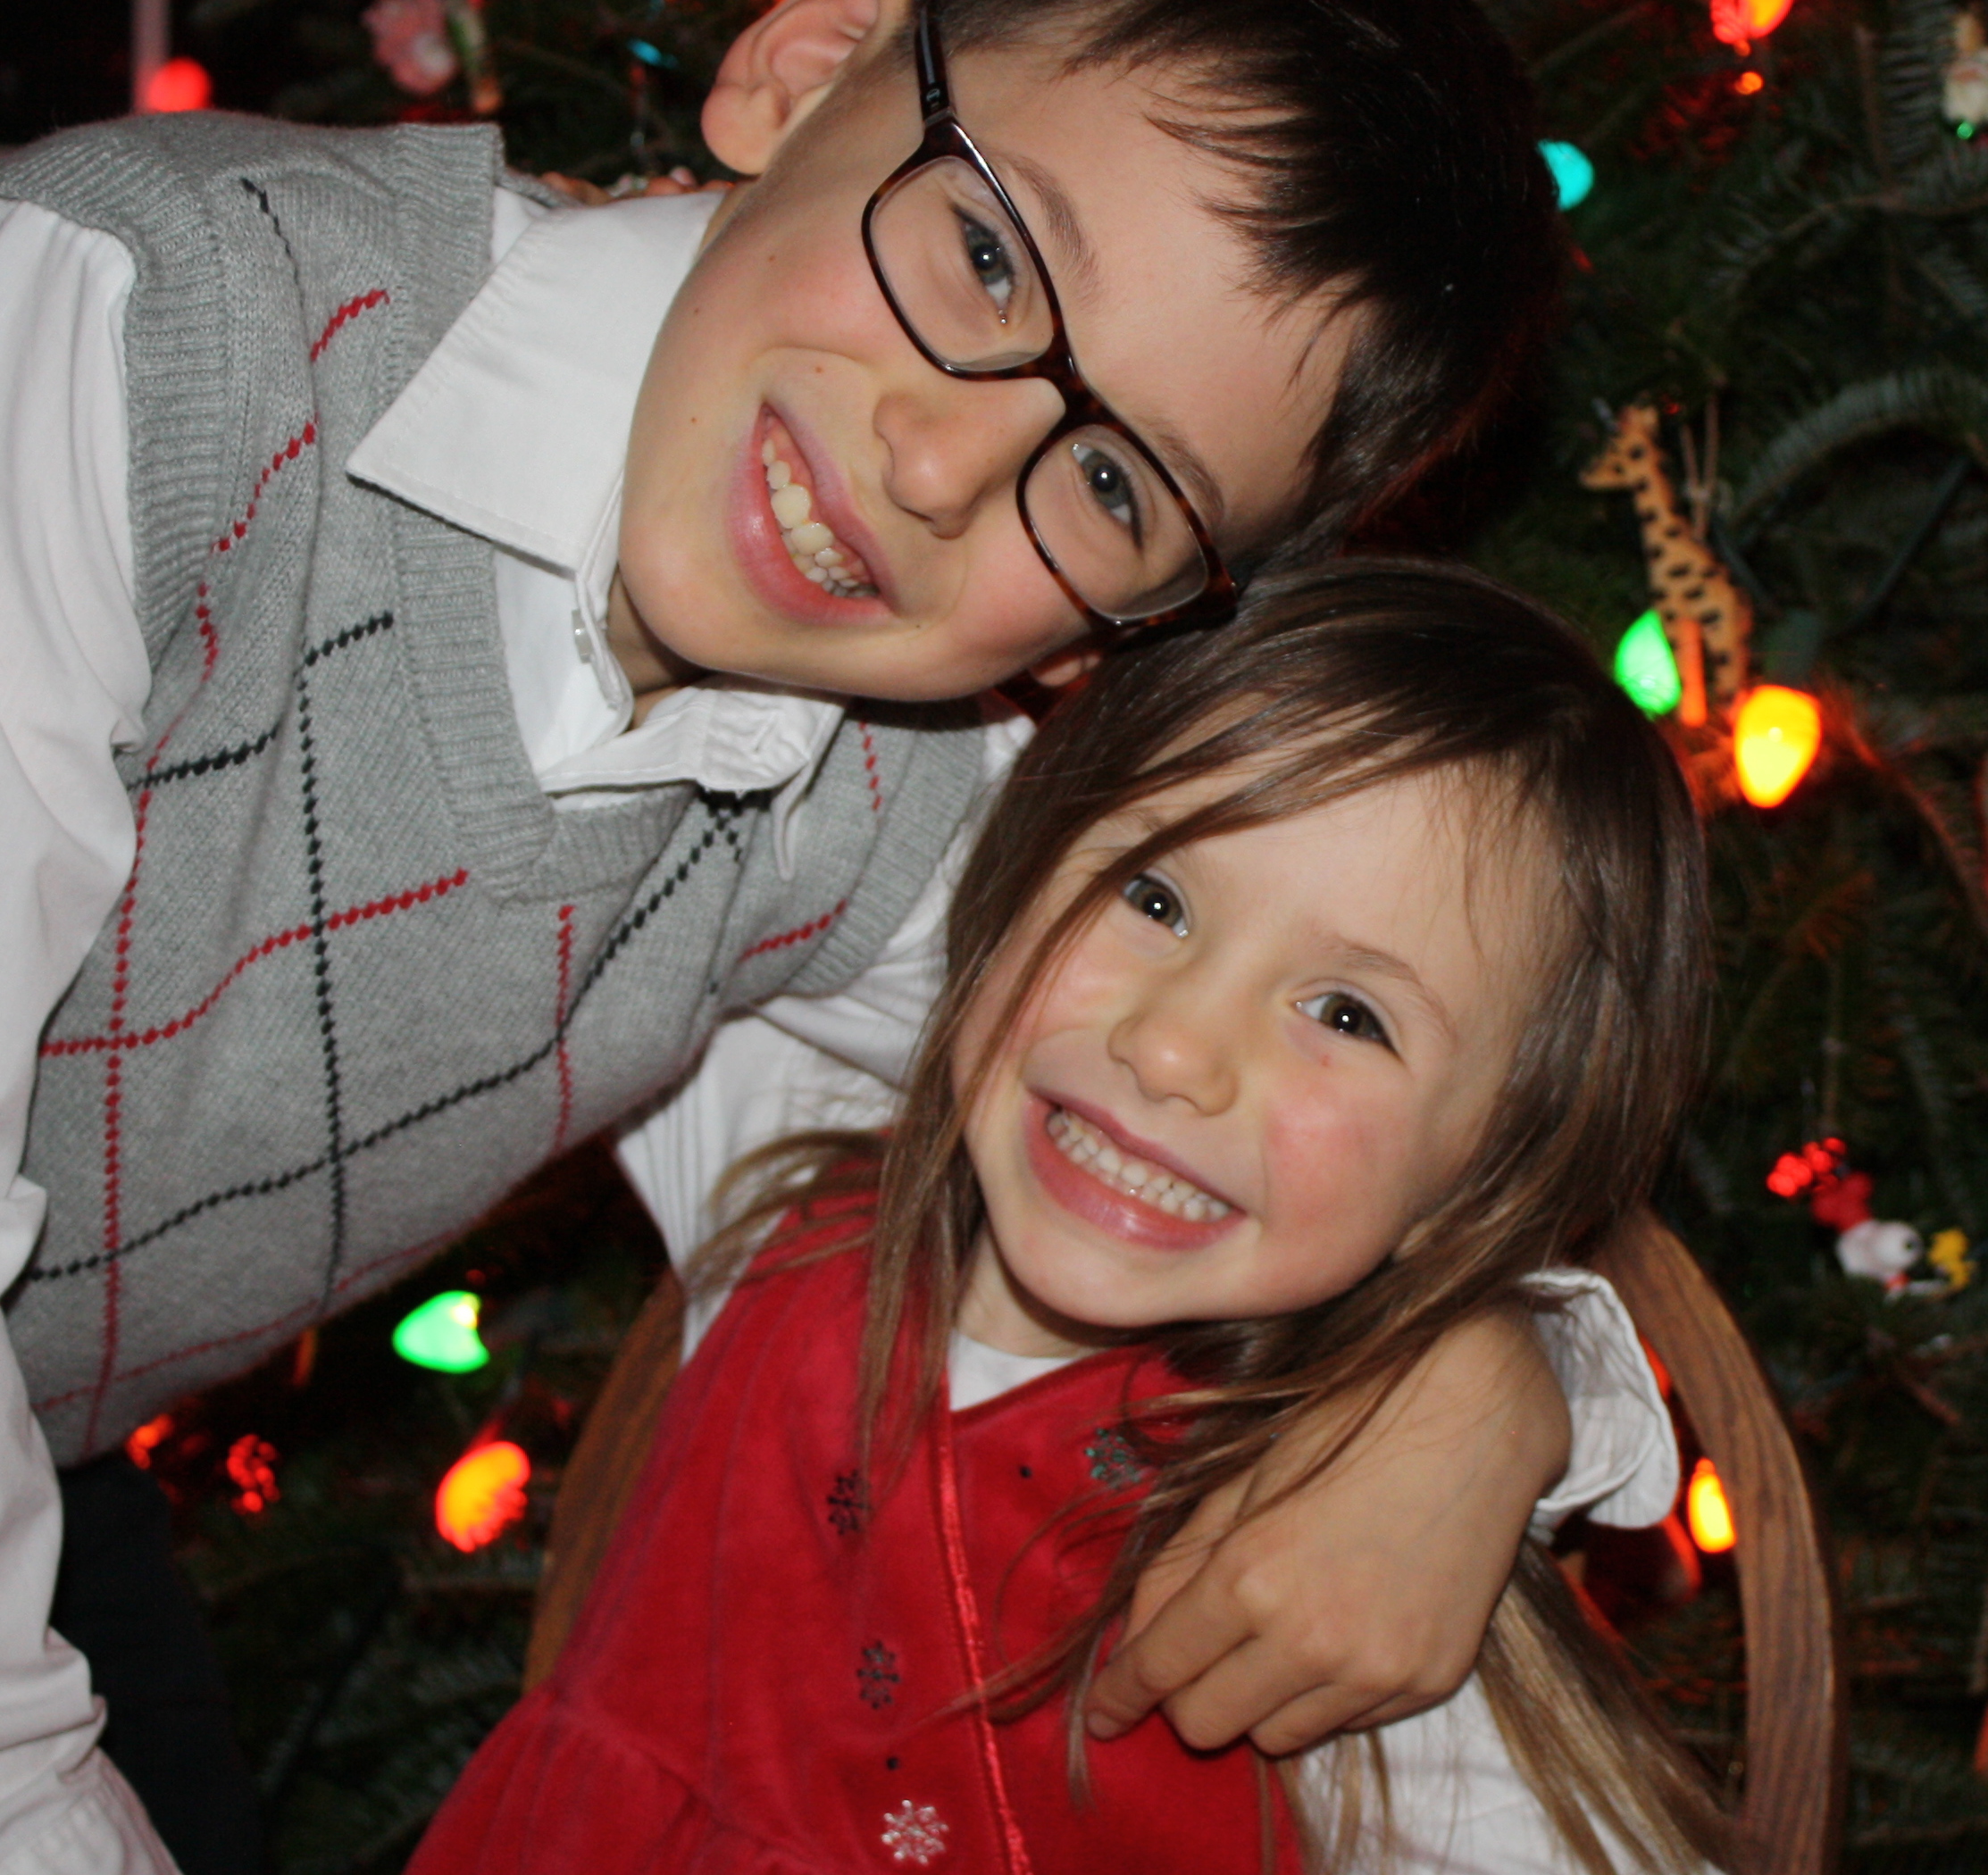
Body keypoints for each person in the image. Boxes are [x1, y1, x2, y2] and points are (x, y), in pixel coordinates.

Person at [0, 0, 1672, 1875]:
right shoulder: (129, 327)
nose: (937, 467)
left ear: (1119, 631)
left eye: (1109, 483)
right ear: (805, 66)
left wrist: (1500, 1383)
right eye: (984, 254)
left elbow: (1253, 1121)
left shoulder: (896, 806)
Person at [410, 561, 1737, 1875]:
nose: (1173, 1049)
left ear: (1479, 1184)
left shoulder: (1320, 1574)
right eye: (1153, 898)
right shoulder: (782, 1152)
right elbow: (639, 698)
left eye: (1347, 1015)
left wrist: (1518, 1361)